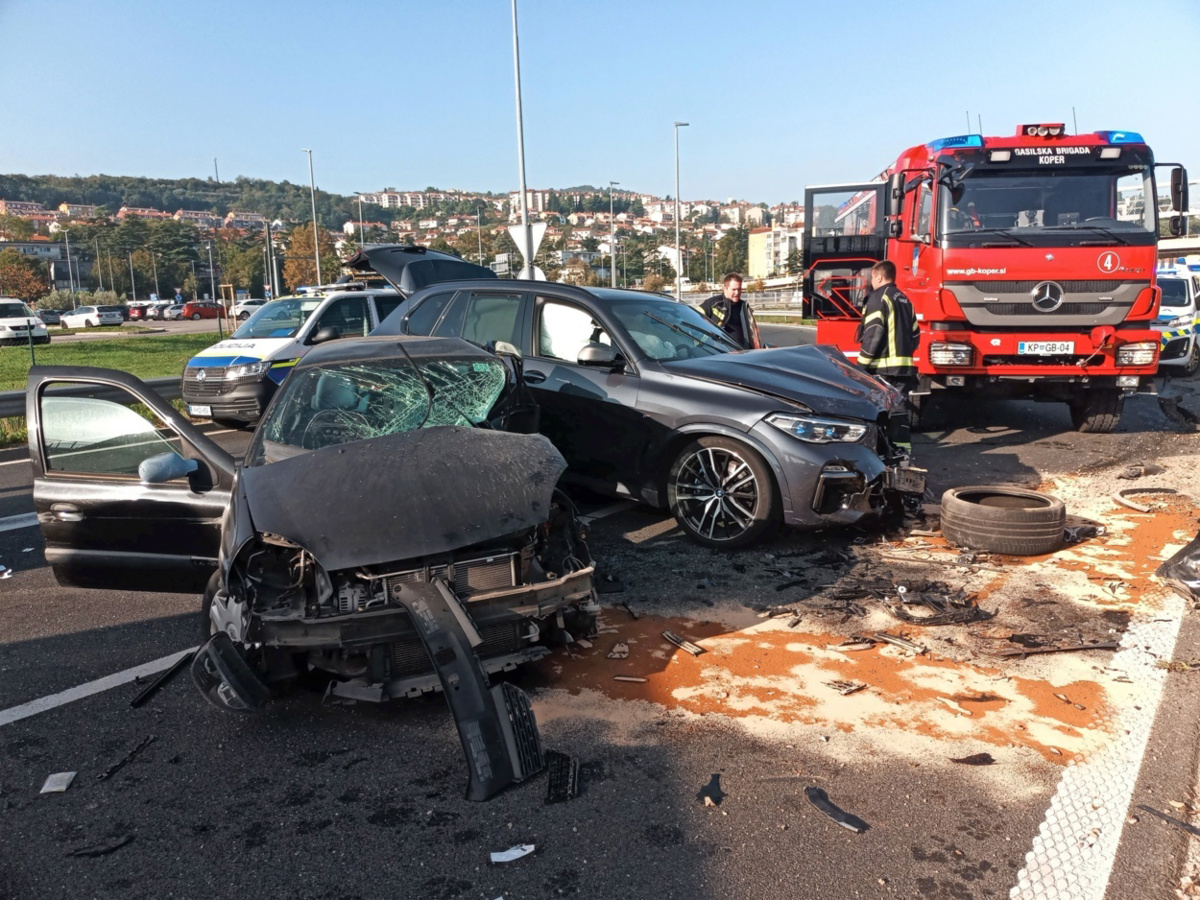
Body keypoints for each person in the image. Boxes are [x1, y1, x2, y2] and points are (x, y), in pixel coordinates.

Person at [856, 260, 920, 396]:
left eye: (872, 277)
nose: (872, 281)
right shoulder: (905, 300)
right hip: (904, 370)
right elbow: (915, 335)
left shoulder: (878, 298)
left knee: (880, 411)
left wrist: (860, 367)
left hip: (882, 371)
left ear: (879, 277)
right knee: (898, 409)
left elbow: (873, 334)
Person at [699, 272, 761, 349]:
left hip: (742, 354)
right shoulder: (713, 304)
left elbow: (754, 335)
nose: (737, 293)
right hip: (718, 353)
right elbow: (693, 317)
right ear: (725, 288)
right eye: (734, 289)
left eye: (739, 289)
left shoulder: (744, 307)